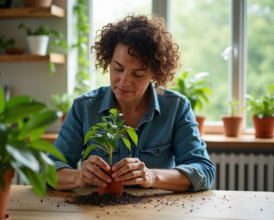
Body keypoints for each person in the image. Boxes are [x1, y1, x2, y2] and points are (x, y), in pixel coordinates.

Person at [48, 14, 215, 192]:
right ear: (109, 62)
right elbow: (48, 171)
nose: (124, 81)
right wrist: (78, 176)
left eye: (137, 74)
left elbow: (204, 171)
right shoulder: (84, 108)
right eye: (117, 68)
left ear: (154, 74)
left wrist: (152, 176)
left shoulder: (176, 108)